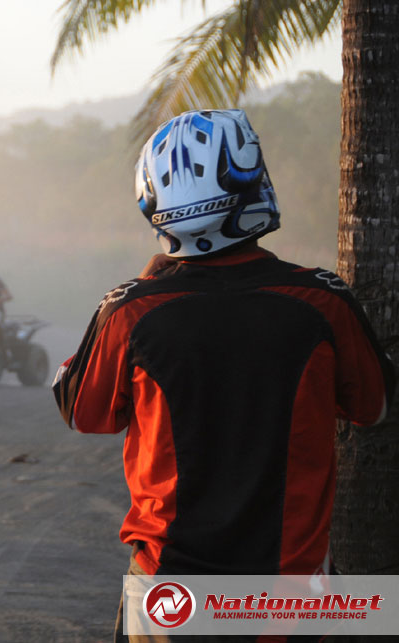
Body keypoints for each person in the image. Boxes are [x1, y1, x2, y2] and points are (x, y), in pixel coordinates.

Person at [51, 110, 394, 639]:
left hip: (170, 595)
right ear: (253, 184)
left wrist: (144, 283)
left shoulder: (130, 310)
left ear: (155, 206)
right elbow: (372, 407)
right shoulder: (324, 300)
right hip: (291, 597)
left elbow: (83, 412)